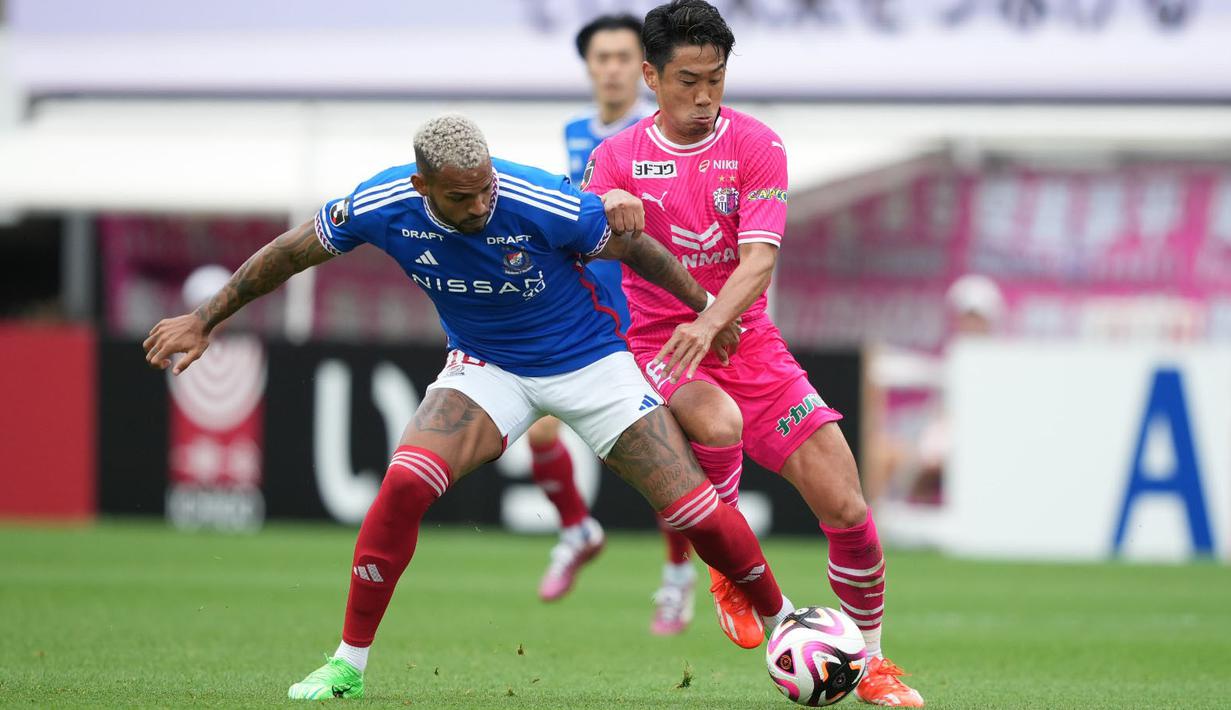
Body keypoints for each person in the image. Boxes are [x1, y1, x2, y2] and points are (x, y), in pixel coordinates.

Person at [142, 114, 794, 700]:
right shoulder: (380, 203)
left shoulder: (537, 198)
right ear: (423, 187)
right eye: (462, 195)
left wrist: (705, 311)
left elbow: (636, 248)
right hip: (486, 368)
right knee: (402, 482)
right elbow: (289, 253)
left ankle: (785, 624)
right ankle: (347, 663)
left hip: (592, 363)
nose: (482, 203)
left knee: (692, 510)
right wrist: (205, 320)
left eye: (486, 187)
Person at [581, 1, 924, 705]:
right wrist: (606, 206)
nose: (704, 96)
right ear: (650, 76)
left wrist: (711, 321)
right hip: (661, 345)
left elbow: (758, 259)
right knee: (718, 424)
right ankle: (731, 574)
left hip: (749, 343)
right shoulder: (614, 157)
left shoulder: (757, 143)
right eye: (686, 81)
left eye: (716, 78)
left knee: (848, 508)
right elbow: (584, 238)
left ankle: (874, 664)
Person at [529, 11, 695, 638]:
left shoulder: (660, 133)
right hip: (582, 313)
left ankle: (677, 579)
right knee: (542, 431)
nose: (613, 68)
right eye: (602, 58)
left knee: (665, 456)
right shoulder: (576, 133)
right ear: (590, 66)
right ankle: (577, 530)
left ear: (645, 69)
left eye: (624, 57)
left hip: (648, 315)